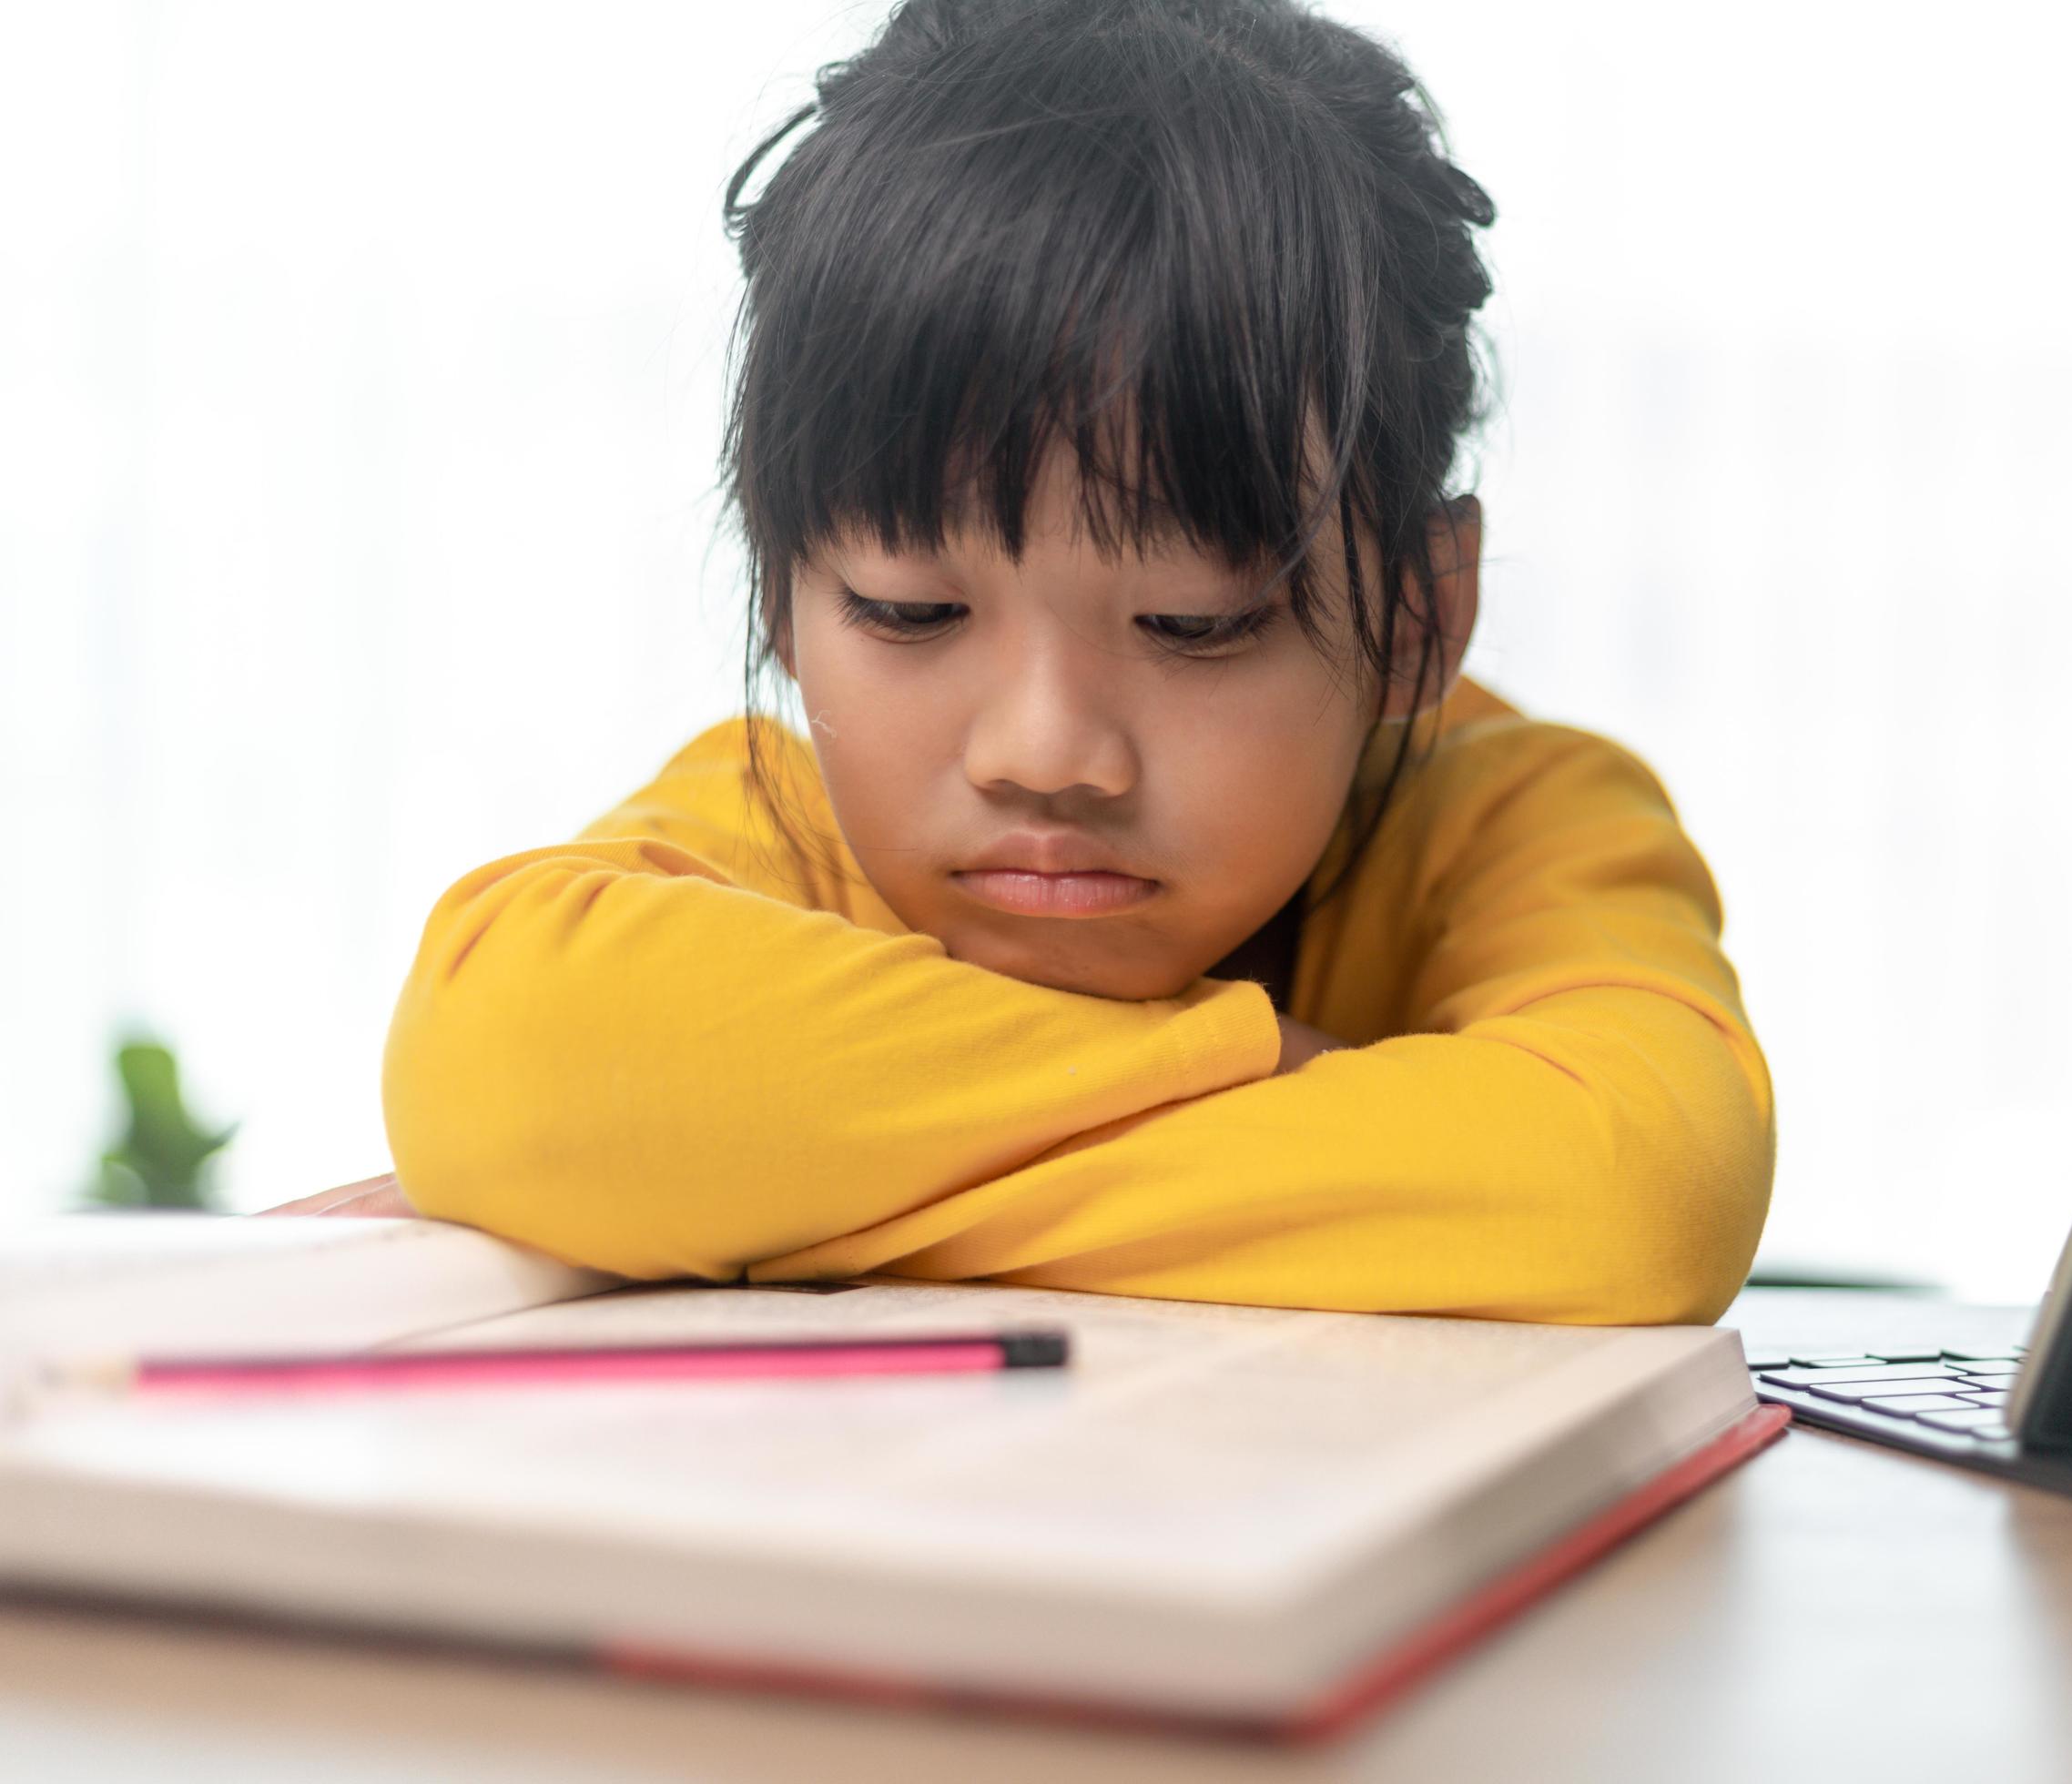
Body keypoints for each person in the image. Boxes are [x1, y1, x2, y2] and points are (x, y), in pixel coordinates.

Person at [360, 0, 1774, 1323]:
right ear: (782, 599)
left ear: (1418, 616)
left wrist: (761, 1194)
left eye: (1196, 624)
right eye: (910, 611)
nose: (1044, 752)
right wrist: (1288, 1075)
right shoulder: (771, 820)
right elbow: (502, 1065)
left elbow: (1639, 1192)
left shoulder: (1509, 815)